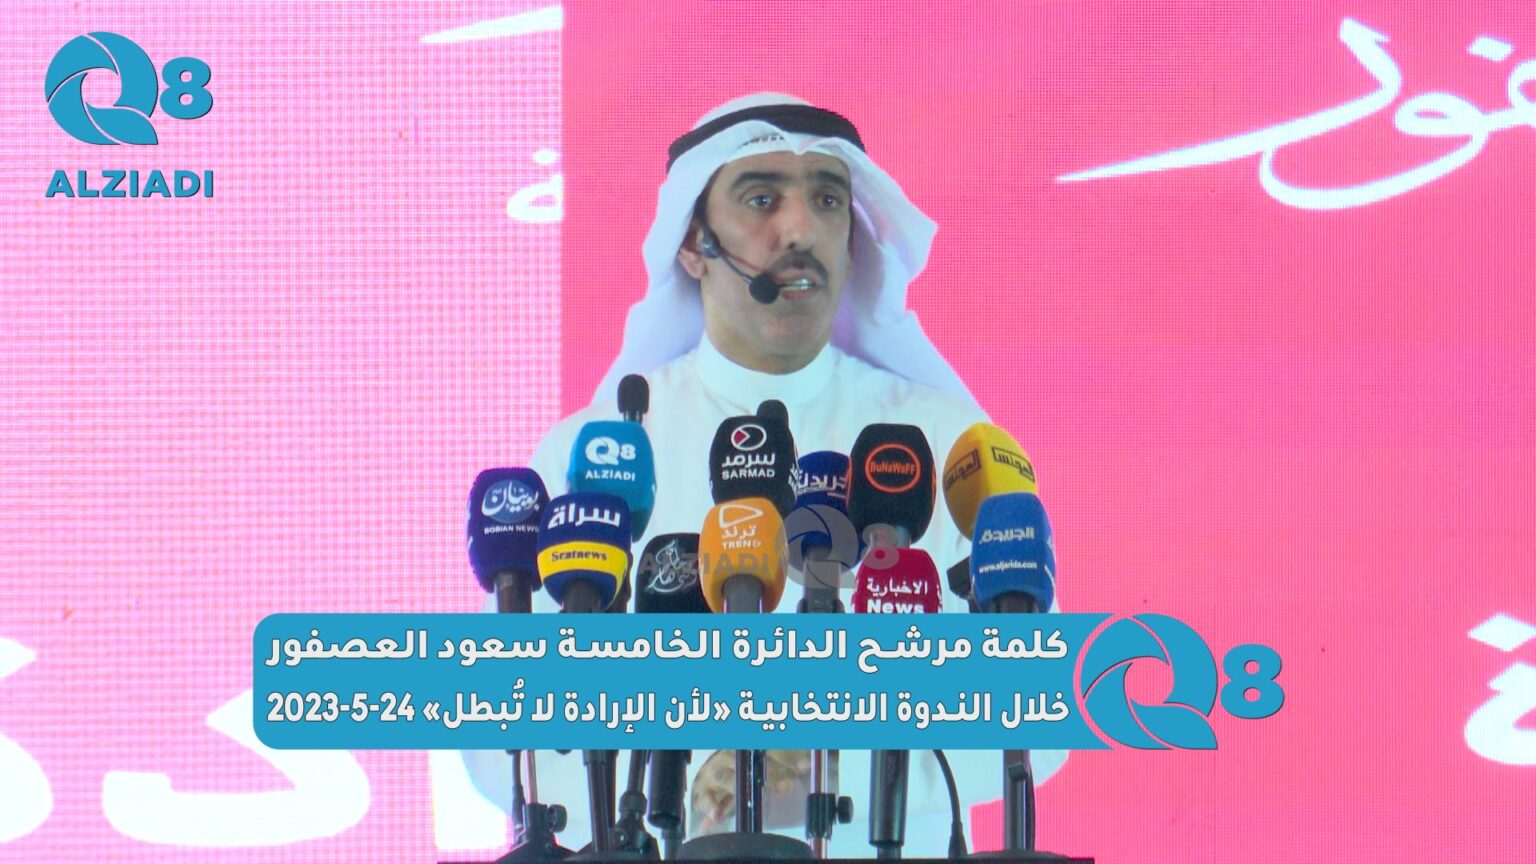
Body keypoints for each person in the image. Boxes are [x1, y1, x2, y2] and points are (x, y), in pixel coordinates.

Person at [463, 93, 1065, 857]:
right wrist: (698, 775)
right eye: (761, 199)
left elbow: (1038, 729)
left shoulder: (949, 444)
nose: (801, 229)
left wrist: (816, 765)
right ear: (694, 244)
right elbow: (500, 747)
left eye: (827, 200)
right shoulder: (593, 460)